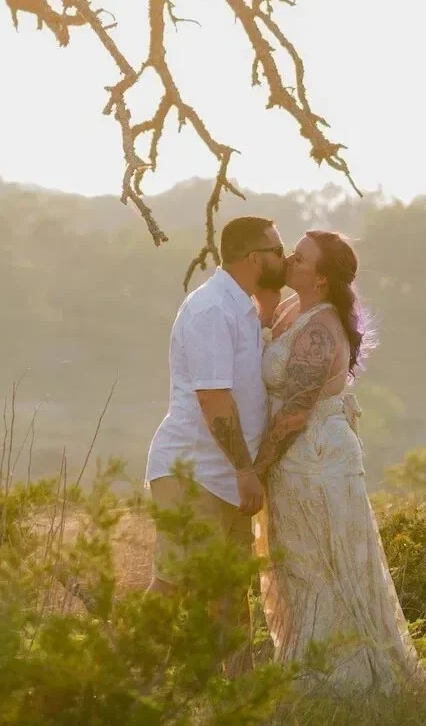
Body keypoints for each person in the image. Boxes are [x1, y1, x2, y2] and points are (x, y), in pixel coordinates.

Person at [253, 229, 420, 696]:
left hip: (315, 458)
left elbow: (295, 411)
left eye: (300, 259)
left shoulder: (320, 330)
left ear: (321, 280)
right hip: (299, 456)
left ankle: (338, 683)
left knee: (319, 564)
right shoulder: (291, 309)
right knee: (299, 565)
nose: (289, 260)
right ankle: (308, 670)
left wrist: (253, 470)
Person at [144, 215, 286, 633]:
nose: (287, 256)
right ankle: (122, 679)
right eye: (279, 251)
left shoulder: (241, 305)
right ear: (255, 258)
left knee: (228, 589)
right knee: (174, 583)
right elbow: (214, 400)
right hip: (194, 473)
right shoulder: (211, 309)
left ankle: (236, 689)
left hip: (225, 473)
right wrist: (245, 470)